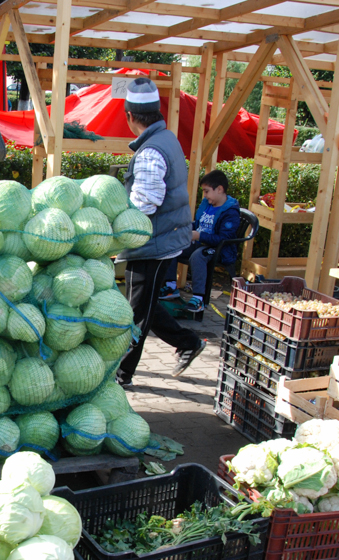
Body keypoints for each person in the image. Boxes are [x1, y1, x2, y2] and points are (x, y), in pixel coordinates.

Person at [115, 77, 206, 386]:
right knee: (145, 304)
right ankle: (188, 342)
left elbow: (145, 204)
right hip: (165, 236)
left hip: (154, 241)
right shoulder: (166, 138)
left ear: (129, 116)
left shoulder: (151, 151)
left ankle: (122, 374)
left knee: (136, 312)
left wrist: (113, 231)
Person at [161, 169, 241, 313]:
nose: (205, 195)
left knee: (198, 256)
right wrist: (184, 228)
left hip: (220, 249)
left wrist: (199, 236)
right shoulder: (208, 204)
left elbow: (225, 238)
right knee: (172, 245)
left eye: (206, 191)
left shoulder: (230, 212)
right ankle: (171, 286)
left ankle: (199, 299)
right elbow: (199, 224)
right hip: (201, 243)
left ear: (220, 189)